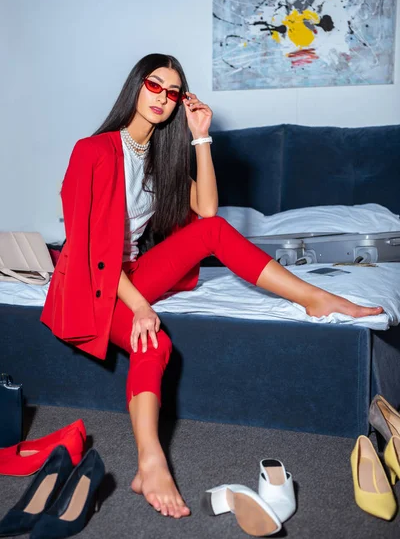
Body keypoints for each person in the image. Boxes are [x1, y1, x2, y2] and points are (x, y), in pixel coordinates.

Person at [41, 53, 383, 519]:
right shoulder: (94, 150)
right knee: (153, 343)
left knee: (213, 232)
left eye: (174, 92)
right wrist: (141, 306)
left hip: (129, 273)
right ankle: (151, 461)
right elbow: (86, 249)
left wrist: (200, 134)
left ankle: (314, 297)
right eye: (154, 85)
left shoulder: (157, 156)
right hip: (90, 281)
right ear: (135, 87)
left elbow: (206, 211)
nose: (162, 98)